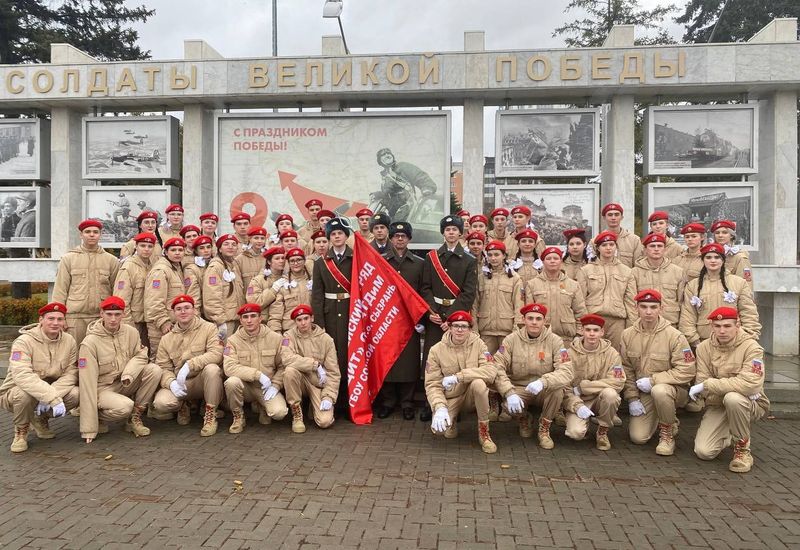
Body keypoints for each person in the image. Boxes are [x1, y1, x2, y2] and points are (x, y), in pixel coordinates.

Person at [691, 307, 770, 473]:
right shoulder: (703, 348)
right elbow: (702, 385)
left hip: (750, 404)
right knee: (704, 452)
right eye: (717, 326)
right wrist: (711, 387)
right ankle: (729, 432)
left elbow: (751, 384)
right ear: (711, 327)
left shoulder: (752, 347)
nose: (722, 331)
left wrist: (710, 385)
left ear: (737, 325)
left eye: (727, 326)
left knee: (733, 398)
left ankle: (742, 450)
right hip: (718, 404)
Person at [621, 289, 696, 456]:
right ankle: (664, 415)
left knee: (659, 391)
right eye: (644, 307)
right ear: (636, 308)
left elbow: (687, 370)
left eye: (653, 307)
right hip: (644, 392)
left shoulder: (675, 336)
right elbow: (627, 368)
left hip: (672, 390)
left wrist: (654, 380)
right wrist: (632, 398)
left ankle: (667, 432)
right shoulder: (627, 335)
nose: (648, 312)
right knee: (638, 437)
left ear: (661, 308)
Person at [77, 296, 161, 442]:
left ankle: (134, 418)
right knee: (125, 407)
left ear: (123, 314)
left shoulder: (131, 332)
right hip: (102, 389)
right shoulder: (90, 343)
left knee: (154, 370)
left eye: (117, 314)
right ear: (101, 314)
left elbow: (141, 355)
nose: (113, 319)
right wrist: (89, 428)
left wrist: (129, 374)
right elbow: (87, 383)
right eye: (109, 314)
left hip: (124, 381)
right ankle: (98, 417)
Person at [420, 215, 478, 422]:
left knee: (455, 363)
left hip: (456, 320)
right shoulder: (432, 257)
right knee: (432, 361)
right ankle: (430, 403)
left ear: (460, 233)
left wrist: (451, 319)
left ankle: (455, 405)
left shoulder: (469, 260)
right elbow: (425, 287)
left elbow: (468, 293)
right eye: (447, 229)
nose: (451, 233)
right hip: (435, 318)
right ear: (443, 233)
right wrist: (432, 312)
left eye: (455, 229)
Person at [0, 302, 79, 453]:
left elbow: (71, 372)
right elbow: (22, 375)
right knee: (23, 395)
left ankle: (40, 419)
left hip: (50, 389)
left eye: (60, 319)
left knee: (75, 394)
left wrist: (51, 394)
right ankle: (21, 431)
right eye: (51, 318)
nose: (55, 323)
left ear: (64, 321)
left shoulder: (69, 341)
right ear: (41, 320)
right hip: (15, 392)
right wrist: (51, 397)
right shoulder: (23, 341)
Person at [493, 303, 573, 449]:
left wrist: (544, 382)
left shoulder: (555, 340)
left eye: (538, 319)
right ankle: (524, 418)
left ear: (544, 321)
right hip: (520, 387)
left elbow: (566, 370)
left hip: (544, 388)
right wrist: (509, 392)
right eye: (530, 318)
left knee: (558, 391)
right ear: (523, 320)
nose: (534, 322)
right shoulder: (511, 340)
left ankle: (544, 428)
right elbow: (497, 366)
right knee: (508, 405)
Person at [424, 311, 498, 454]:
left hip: (471, 396)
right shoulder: (436, 350)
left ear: (470, 329)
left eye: (464, 326)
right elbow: (432, 384)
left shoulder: (479, 344)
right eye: (456, 326)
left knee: (479, 383)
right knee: (439, 430)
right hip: (451, 397)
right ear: (449, 327)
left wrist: (459, 377)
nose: (459, 330)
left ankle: (484, 433)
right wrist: (439, 407)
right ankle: (451, 422)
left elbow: (490, 371)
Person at [152, 295, 224, 436]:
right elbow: (163, 367)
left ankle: (210, 414)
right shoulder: (166, 339)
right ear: (173, 313)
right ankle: (183, 405)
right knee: (161, 403)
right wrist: (171, 382)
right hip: (180, 383)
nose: (183, 312)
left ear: (194, 310)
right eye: (178, 309)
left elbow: (216, 354)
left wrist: (190, 365)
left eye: (187, 308)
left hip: (200, 380)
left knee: (213, 370)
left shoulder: (208, 328)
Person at [376, 222, 424, 420]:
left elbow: (422, 292)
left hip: (409, 320)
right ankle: (388, 401)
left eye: (404, 236)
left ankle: (407, 402)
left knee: (408, 362)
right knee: (388, 360)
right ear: (391, 238)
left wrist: (421, 319)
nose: (400, 239)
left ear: (409, 239)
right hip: (386, 319)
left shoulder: (419, 264)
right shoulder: (381, 261)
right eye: (396, 236)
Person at [222, 303, 296, 432]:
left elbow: (283, 365)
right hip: (245, 386)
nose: (249, 320)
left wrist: (275, 385)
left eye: (253, 316)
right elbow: (229, 367)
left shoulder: (275, 338)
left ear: (260, 318)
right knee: (231, 382)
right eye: (245, 317)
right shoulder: (233, 340)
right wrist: (258, 375)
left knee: (279, 413)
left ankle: (263, 407)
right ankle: (238, 416)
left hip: (267, 388)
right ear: (241, 320)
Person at [679, 243, 761, 349]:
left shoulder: (739, 283)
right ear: (703, 260)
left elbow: (749, 312)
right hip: (703, 343)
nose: (713, 261)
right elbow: (687, 316)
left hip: (735, 343)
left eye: (717, 257)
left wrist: (747, 337)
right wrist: (695, 341)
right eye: (708, 257)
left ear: (723, 260)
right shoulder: (692, 285)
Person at [52, 219, 120, 346]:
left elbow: (116, 292)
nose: (92, 235)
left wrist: (114, 316)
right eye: (87, 232)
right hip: (75, 318)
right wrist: (59, 317)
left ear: (100, 235)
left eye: (95, 232)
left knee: (101, 353)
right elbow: (60, 290)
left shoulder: (111, 261)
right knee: (74, 353)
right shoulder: (68, 259)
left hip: (101, 318)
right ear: (81, 235)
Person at [563, 314, 625, 451]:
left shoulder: (612, 354)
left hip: (600, 399)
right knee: (575, 433)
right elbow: (565, 387)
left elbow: (618, 381)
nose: (592, 334)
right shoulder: (569, 354)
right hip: (579, 399)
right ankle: (582, 425)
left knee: (611, 394)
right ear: (582, 331)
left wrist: (584, 387)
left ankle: (602, 431)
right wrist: (577, 405)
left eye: (596, 330)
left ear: (602, 332)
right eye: (588, 330)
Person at [311, 217, 354, 414]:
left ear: (346, 236)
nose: (337, 237)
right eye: (333, 234)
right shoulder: (321, 263)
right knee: (332, 356)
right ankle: (334, 398)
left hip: (350, 312)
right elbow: (317, 295)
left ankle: (349, 399)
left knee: (348, 355)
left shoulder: (355, 258)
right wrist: (319, 322)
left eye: (340, 233)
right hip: (329, 314)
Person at [282, 304, 341, 432]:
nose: (303, 323)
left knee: (325, 421)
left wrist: (328, 396)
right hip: (300, 380)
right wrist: (316, 365)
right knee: (289, 371)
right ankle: (296, 413)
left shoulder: (326, 339)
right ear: (295, 322)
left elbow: (333, 372)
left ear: (312, 318)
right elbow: (286, 359)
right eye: (299, 320)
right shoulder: (288, 337)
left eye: (306, 318)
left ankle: (313, 405)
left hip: (317, 384)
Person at [576, 230, 637, 350]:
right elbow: (579, 301)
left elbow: (631, 301)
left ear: (616, 247)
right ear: (598, 248)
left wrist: (632, 326)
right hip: (593, 319)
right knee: (592, 353)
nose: (608, 248)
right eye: (604, 245)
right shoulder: (586, 270)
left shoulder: (626, 271)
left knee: (616, 354)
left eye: (611, 244)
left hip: (617, 321)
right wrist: (581, 324)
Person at [524, 246, 587, 347]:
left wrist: (579, 334)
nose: (552, 261)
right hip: (541, 338)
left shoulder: (573, 285)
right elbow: (529, 313)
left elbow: (580, 312)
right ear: (543, 262)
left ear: (561, 261)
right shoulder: (532, 284)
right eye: (548, 258)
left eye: (556, 258)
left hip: (567, 339)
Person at [474, 240, 523, 353]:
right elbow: (475, 305)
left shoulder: (514, 278)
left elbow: (519, 306)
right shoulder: (481, 278)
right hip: (486, 331)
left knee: (506, 362)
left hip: (508, 332)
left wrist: (517, 329)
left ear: (504, 256)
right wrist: (475, 329)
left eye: (497, 254)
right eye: (490, 255)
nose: (493, 258)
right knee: (485, 361)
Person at [144, 237, 188, 360]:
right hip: (161, 326)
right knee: (160, 360)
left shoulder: (175, 268)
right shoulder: (160, 271)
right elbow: (154, 301)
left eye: (180, 250)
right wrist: (163, 322)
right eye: (173, 250)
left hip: (174, 324)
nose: (177, 253)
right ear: (166, 252)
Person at [630, 233, 685, 327]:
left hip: (670, 324)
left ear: (665, 249)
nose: (656, 249)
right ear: (645, 250)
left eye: (659, 246)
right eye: (652, 246)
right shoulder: (634, 273)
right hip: (643, 324)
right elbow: (632, 302)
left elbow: (682, 302)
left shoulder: (678, 272)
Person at [114, 232, 158, 347]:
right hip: (134, 322)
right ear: (136, 246)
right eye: (142, 246)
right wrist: (128, 326)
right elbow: (121, 300)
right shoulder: (128, 267)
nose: (146, 249)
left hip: (149, 321)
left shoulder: (153, 266)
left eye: (150, 246)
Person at [373, 147, 437, 221]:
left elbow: (419, 175)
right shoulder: (385, 176)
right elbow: (388, 196)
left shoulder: (403, 166)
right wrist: (379, 194)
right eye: (383, 155)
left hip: (408, 208)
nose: (387, 155)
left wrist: (427, 187)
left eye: (388, 153)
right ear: (380, 161)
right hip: (394, 213)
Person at [203, 234, 244, 341]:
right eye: (226, 244)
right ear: (220, 249)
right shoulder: (215, 267)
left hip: (236, 319)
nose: (230, 247)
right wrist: (220, 321)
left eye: (233, 244)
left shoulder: (234, 265)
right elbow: (212, 296)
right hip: (225, 321)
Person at [268, 248, 312, 333]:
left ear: (304, 261)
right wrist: (277, 332)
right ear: (288, 263)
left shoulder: (314, 281)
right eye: (292, 261)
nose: (296, 263)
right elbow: (275, 313)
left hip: (310, 328)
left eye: (299, 260)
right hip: (290, 330)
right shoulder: (282, 284)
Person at [593, 203, 643, 268]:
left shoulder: (634, 240)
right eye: (610, 215)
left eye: (616, 215)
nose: (613, 218)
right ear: (604, 218)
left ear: (622, 217)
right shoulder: (594, 241)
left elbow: (638, 266)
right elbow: (592, 265)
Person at [711, 219, 752, 285]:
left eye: (724, 232)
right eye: (717, 233)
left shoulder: (740, 257)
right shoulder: (710, 255)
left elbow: (746, 283)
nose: (720, 235)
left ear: (731, 235)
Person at [246, 246, 286, 312]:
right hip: (264, 317)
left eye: (283, 258)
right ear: (269, 262)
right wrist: (273, 290)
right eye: (277, 258)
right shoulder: (256, 281)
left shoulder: (287, 278)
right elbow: (252, 302)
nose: (281, 261)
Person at [184, 235, 213, 313]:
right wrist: (196, 315)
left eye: (208, 247)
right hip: (202, 311)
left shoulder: (216, 265)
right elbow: (193, 295)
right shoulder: (191, 269)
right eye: (201, 248)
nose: (206, 250)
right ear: (196, 251)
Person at [235, 226, 268, 292]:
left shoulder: (268, 258)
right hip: (247, 295)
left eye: (262, 238)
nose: (259, 241)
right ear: (250, 239)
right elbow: (237, 283)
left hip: (265, 296)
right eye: (256, 238)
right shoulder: (240, 259)